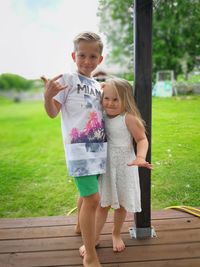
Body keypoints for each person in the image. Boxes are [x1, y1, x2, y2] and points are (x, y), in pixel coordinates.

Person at [42, 31, 107, 267]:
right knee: (93, 199)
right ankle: (90, 255)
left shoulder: (98, 85)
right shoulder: (68, 80)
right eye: (82, 55)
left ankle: (80, 226)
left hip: (99, 149)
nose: (87, 61)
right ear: (73, 55)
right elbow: (52, 112)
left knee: (85, 195)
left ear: (100, 59)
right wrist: (48, 96)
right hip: (79, 151)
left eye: (92, 56)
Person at [79, 77, 152, 256]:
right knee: (102, 205)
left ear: (125, 100)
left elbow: (141, 139)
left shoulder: (129, 118)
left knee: (121, 206)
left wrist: (141, 157)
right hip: (106, 167)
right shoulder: (101, 115)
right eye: (107, 98)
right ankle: (94, 237)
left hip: (124, 166)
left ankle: (116, 233)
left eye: (116, 99)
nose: (110, 103)